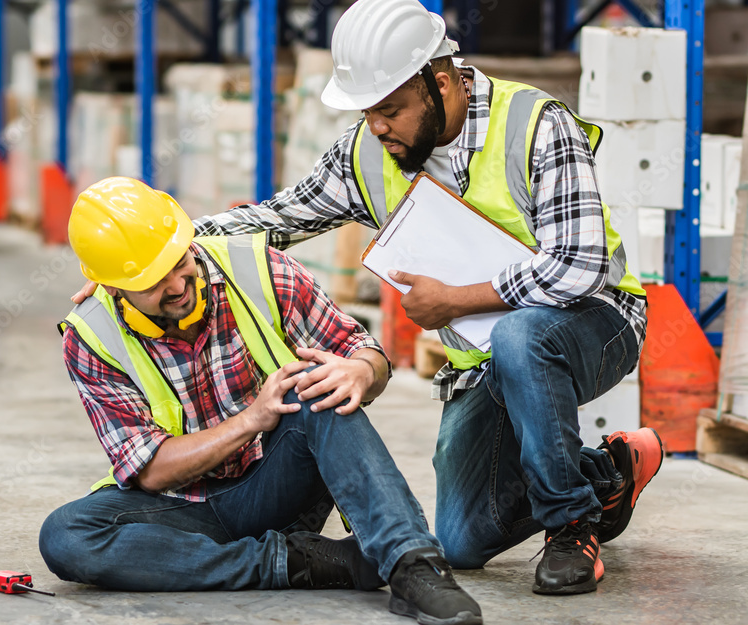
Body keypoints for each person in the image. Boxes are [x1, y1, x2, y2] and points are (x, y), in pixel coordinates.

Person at [73, 0, 664, 596]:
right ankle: (605, 476)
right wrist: (150, 259)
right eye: (367, 113)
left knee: (522, 335)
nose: (377, 127)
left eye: (390, 109)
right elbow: (276, 219)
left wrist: (457, 300)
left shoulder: (535, 126)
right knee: (461, 539)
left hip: (593, 323)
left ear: (439, 83)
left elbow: (578, 266)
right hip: (486, 359)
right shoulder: (368, 153)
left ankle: (571, 525)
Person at [40, 176, 483, 625]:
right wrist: (252, 419)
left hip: (274, 489)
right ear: (113, 287)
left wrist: (364, 369)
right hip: (180, 508)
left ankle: (414, 565)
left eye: (178, 262)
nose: (176, 285)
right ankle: (301, 563)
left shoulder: (261, 271)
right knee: (66, 536)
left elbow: (362, 351)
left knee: (315, 384)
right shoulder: (91, 337)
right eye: (153, 282)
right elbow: (150, 470)